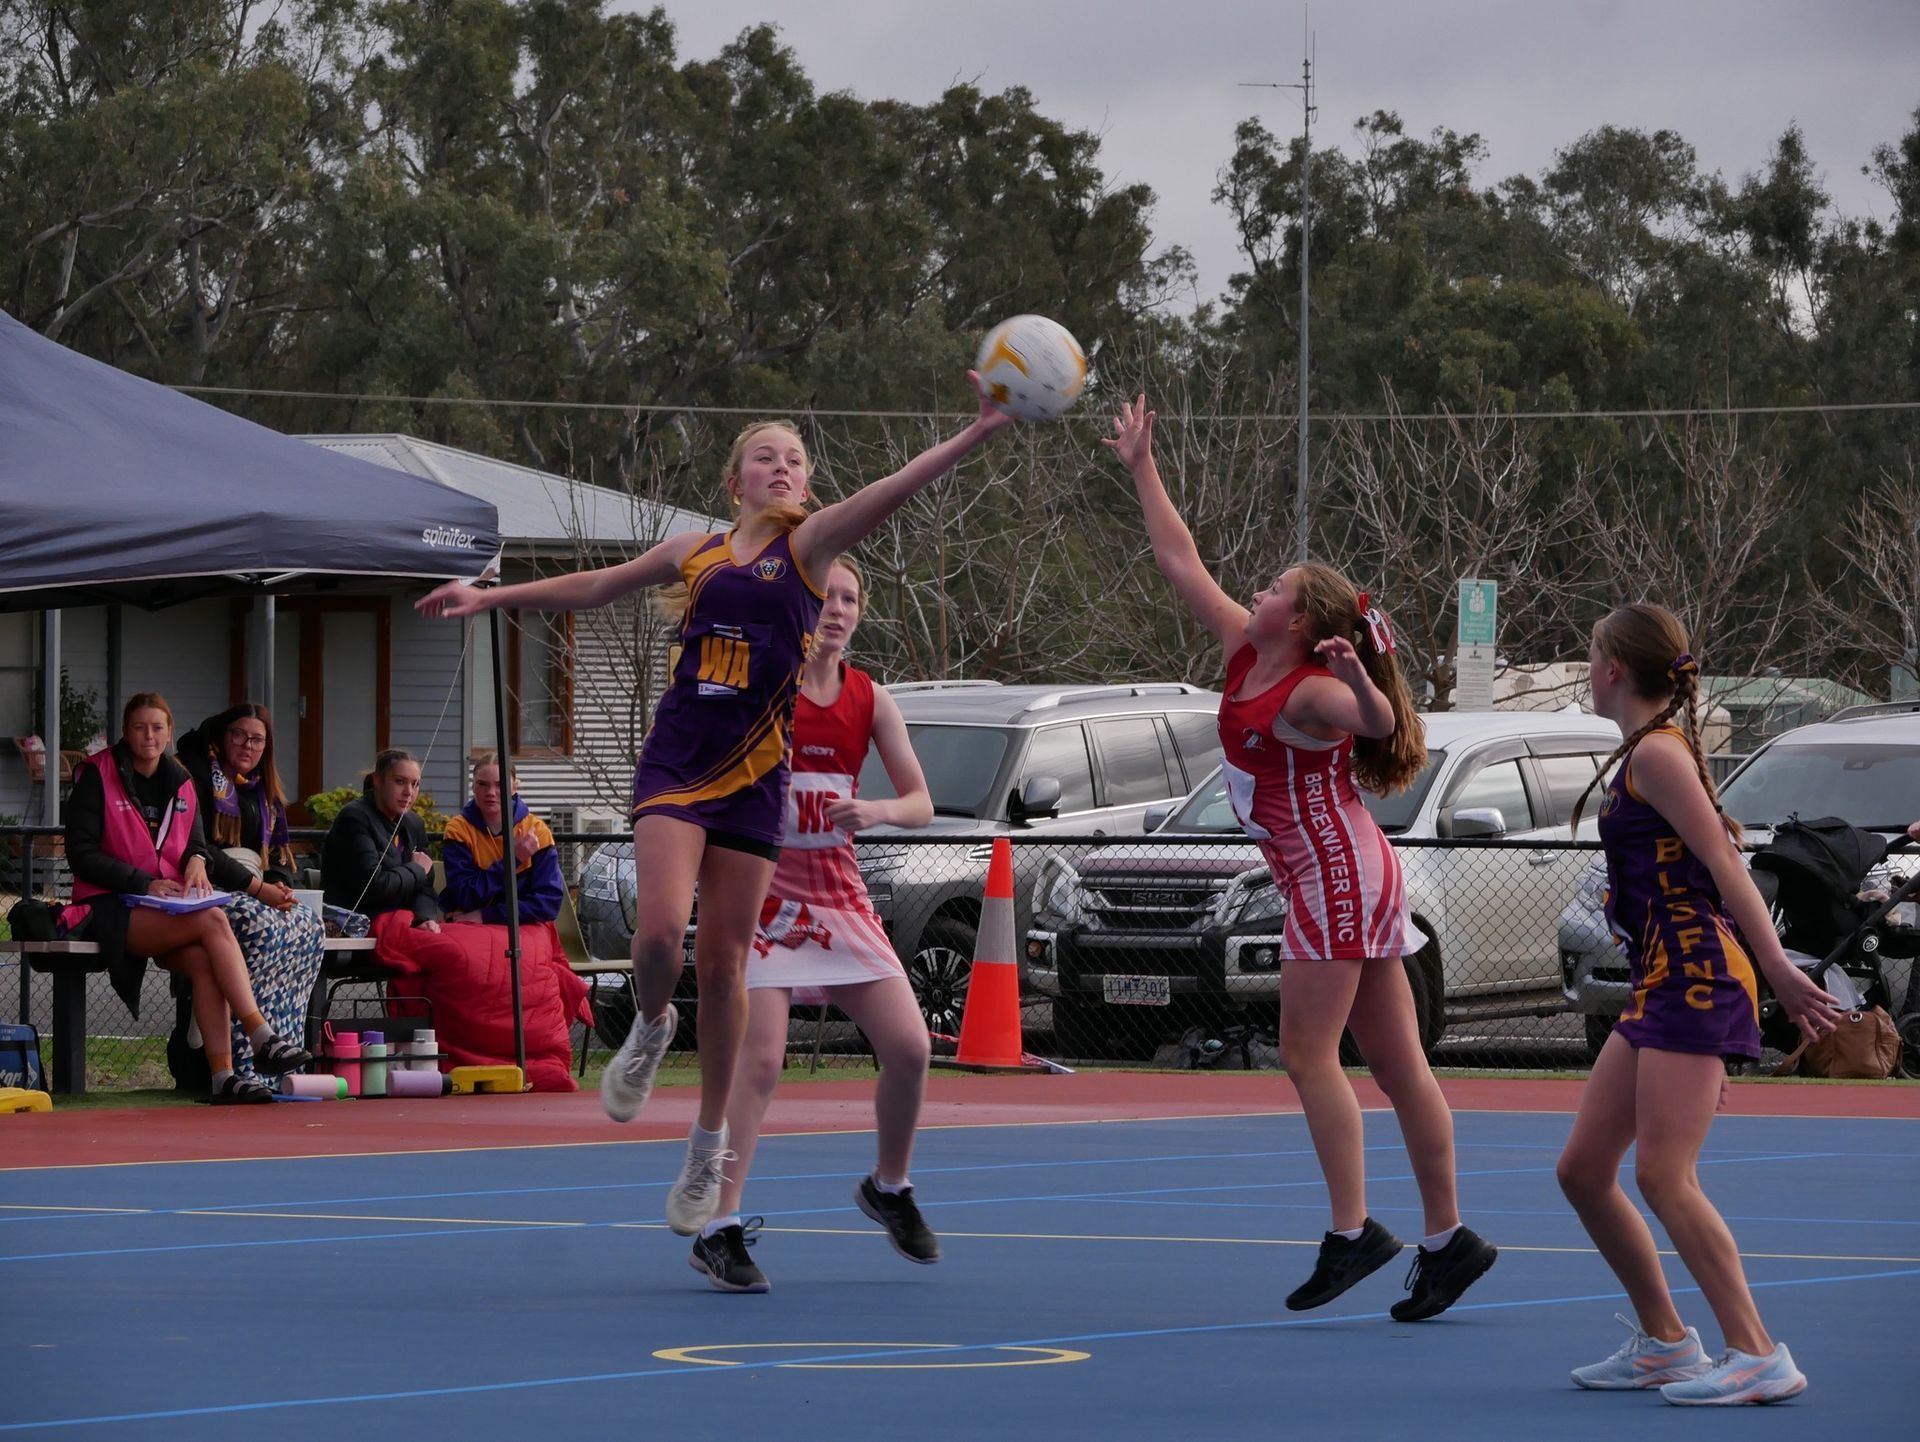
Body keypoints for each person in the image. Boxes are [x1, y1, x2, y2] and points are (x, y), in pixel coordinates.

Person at [418, 376, 1014, 1238]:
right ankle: (653, 1024)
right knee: (660, 934)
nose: (780, 466)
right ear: (735, 481)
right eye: (763, 456)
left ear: (806, 486)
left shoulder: (810, 549)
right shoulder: (691, 551)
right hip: (677, 760)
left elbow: (896, 490)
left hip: (752, 780)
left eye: (795, 458)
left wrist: (974, 433)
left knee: (727, 967)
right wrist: (490, 599)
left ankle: (705, 1151)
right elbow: (592, 588)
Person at [1104, 394, 1496, 1320]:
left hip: (1336, 873)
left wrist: (1362, 676)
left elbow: (1378, 724)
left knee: (1306, 1053)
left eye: (1276, 585)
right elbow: (1177, 558)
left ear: (1302, 615)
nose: (1260, 590)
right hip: (1340, 868)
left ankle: (1356, 1232)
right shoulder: (1250, 649)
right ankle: (1448, 1243)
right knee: (1396, 1067)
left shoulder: (1317, 684)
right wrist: (1141, 467)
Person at [1556, 604, 1841, 1405]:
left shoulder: (1659, 754)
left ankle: (1756, 1352)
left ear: (1614, 667)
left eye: (1590, 652)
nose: (1586, 666)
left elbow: (1724, 864)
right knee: (1583, 1171)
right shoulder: (1647, 753)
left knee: (1663, 1175)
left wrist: (1776, 970)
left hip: (1694, 975)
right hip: (1664, 979)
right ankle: (1666, 1344)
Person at [690, 558, 937, 1292]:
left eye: (851, 598)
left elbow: (921, 801)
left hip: (837, 897)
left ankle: (888, 1186)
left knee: (912, 1048)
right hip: (763, 898)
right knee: (760, 1061)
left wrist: (879, 811)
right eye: (825, 595)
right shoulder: (765, 684)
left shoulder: (870, 698)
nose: (837, 608)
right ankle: (718, 1226)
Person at [58, 692, 312, 1102]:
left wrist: (195, 859)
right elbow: (80, 854)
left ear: (170, 732)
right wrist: (142, 883)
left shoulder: (180, 779)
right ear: (125, 731)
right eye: (139, 727)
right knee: (214, 920)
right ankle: (260, 1033)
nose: (149, 736)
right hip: (110, 904)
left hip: (164, 907)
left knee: (206, 961)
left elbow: (196, 844)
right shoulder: (96, 774)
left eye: (157, 728)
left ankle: (222, 1076)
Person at [174, 703, 326, 1081]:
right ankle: (241, 1058)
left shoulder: (264, 791)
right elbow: (198, 848)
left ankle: (282, 1047)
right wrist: (259, 890)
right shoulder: (197, 777)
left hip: (257, 886)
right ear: (221, 738)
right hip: (210, 885)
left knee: (309, 925)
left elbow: (274, 856)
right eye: (239, 735)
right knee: (258, 925)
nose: (248, 745)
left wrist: (279, 883)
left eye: (257, 739)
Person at [321, 749, 442, 930]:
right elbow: (373, 887)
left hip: (406, 924)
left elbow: (424, 888)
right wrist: (416, 870)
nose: (409, 792)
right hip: (360, 927)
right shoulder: (354, 818)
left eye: (415, 784)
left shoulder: (414, 823)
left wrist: (424, 919)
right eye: (400, 782)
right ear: (378, 780)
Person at [440, 754, 564, 925]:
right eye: (482, 784)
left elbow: (548, 903)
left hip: (523, 925)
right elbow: (464, 897)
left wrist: (487, 915)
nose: (491, 793)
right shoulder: (458, 830)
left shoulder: (537, 831)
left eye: (500, 785)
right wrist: (513, 860)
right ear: (473, 787)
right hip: (468, 922)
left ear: (514, 788)